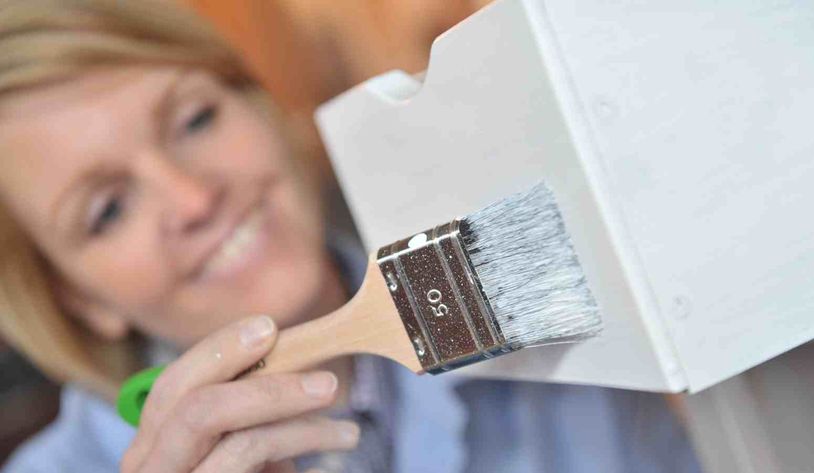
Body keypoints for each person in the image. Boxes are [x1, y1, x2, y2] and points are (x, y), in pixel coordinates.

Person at [0, 1, 702, 472]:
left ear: (262, 110)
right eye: (108, 210)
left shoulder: (517, 289)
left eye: (194, 121)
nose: (192, 198)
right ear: (72, 294)